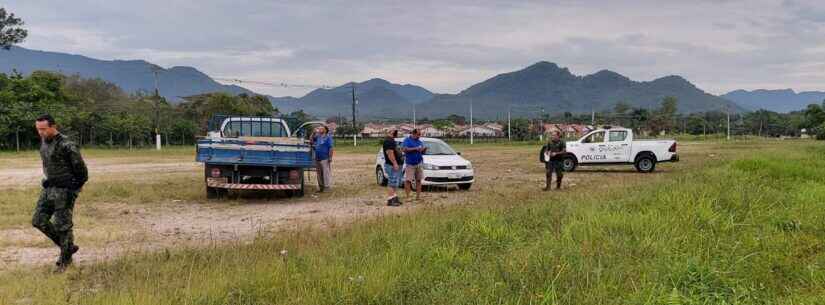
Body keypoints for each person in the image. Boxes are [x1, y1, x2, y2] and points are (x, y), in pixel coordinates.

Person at [32, 114, 88, 272]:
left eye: (43, 129)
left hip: (65, 191)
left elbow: (82, 170)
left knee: (63, 226)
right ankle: (68, 247)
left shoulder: (67, 144)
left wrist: (75, 187)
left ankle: (65, 262)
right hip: (49, 188)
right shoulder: (44, 141)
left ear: (53, 126)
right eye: (38, 129)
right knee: (38, 220)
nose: (40, 132)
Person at [402, 129, 427, 200]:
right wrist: (415, 148)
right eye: (418, 134)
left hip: (419, 163)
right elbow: (404, 149)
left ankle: (418, 197)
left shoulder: (419, 142)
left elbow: (421, 151)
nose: (419, 136)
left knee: (418, 180)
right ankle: (408, 197)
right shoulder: (407, 140)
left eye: (420, 134)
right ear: (413, 133)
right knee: (408, 180)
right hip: (410, 164)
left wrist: (424, 150)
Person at [382, 129, 404, 206]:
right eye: (395, 131)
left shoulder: (392, 140)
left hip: (396, 164)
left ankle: (394, 198)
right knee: (392, 182)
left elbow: (394, 151)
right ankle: (390, 199)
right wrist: (395, 163)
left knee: (396, 182)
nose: (396, 133)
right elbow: (389, 153)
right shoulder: (388, 141)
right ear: (390, 132)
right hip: (391, 165)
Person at [312, 126, 334, 192]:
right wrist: (313, 133)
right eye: (319, 128)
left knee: (325, 173)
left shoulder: (328, 137)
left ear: (325, 130)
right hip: (317, 158)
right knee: (319, 173)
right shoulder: (318, 136)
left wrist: (330, 157)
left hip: (325, 158)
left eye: (321, 128)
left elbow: (331, 148)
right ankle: (321, 187)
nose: (319, 129)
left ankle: (327, 187)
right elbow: (311, 140)